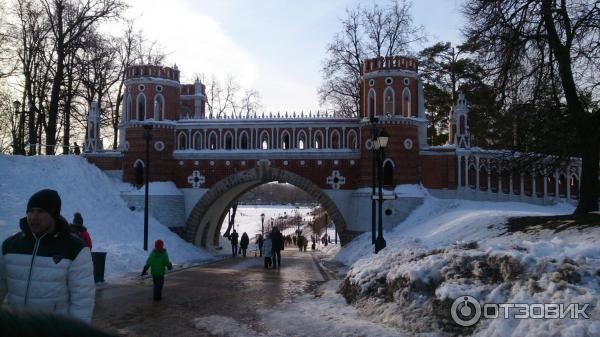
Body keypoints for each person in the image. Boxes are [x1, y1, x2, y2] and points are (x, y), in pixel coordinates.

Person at [0, 189, 95, 323]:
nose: (33, 217)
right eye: (30, 211)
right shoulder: (10, 245)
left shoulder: (74, 249)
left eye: (40, 211)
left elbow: (82, 299)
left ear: (54, 215)